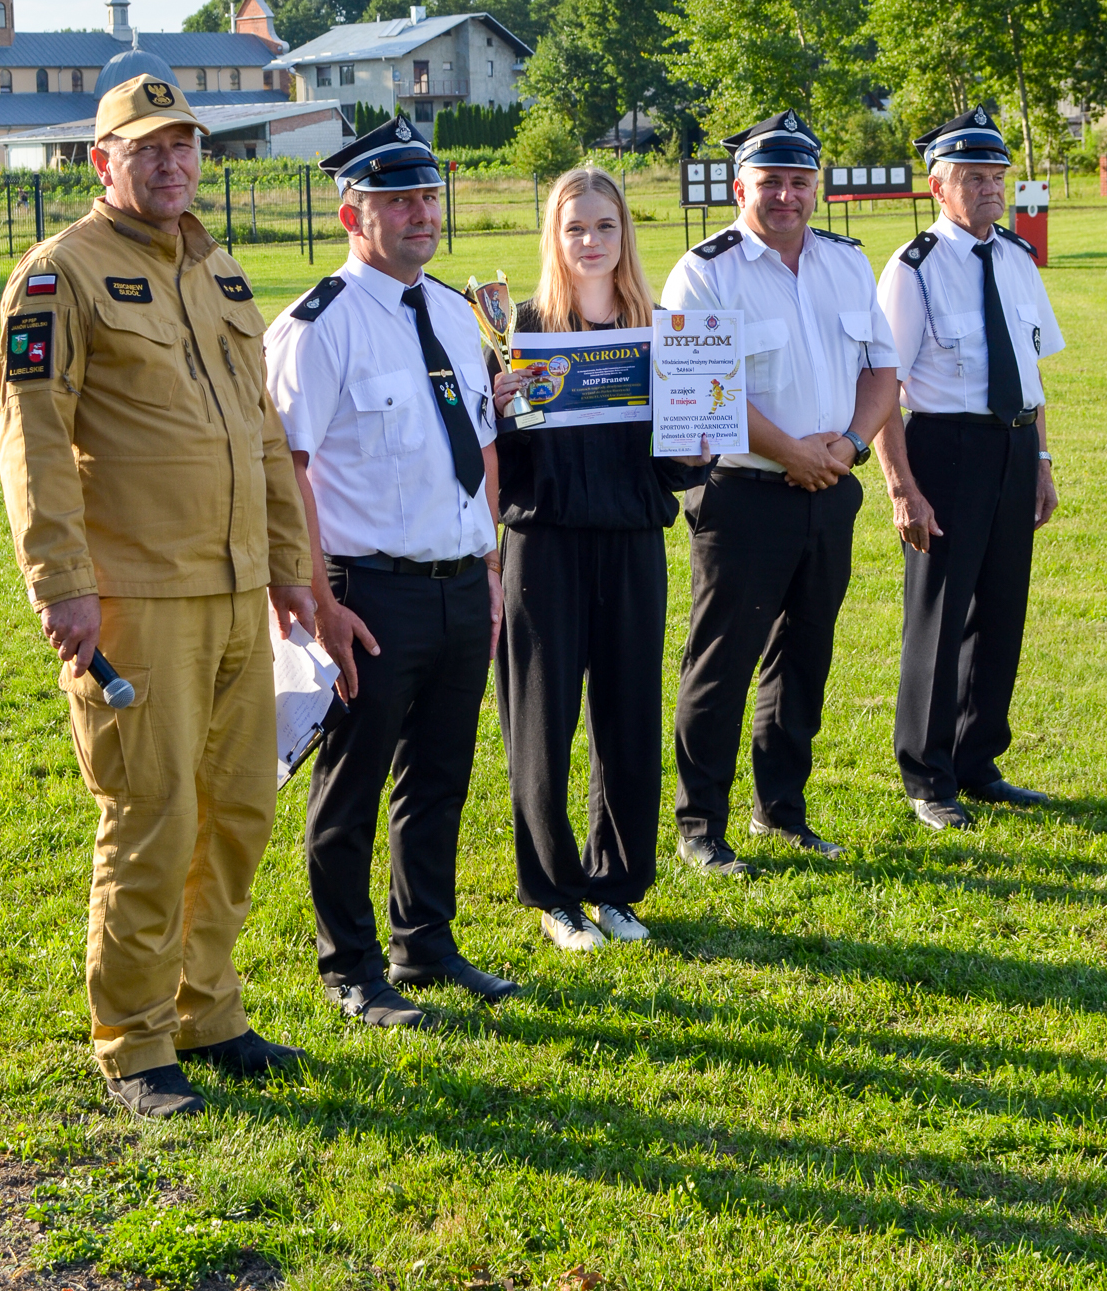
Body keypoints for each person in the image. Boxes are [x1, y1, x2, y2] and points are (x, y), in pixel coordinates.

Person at [0, 75, 315, 1121]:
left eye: (185, 146)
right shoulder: (61, 276)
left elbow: (262, 432)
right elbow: (35, 440)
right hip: (135, 599)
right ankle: (134, 1041)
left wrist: (289, 565)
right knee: (153, 817)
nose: (173, 163)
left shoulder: (217, 269)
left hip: (234, 590)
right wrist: (62, 584)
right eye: (147, 148)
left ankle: (206, 1010)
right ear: (103, 162)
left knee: (238, 813)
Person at [264, 114, 514, 1029]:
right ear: (351, 215)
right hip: (367, 591)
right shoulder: (317, 326)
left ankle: (426, 942)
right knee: (354, 782)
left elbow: (478, 443)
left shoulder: (451, 307)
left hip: (460, 582)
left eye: (428, 197)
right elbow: (286, 471)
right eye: (397, 200)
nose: (420, 214)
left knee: (440, 774)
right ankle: (351, 968)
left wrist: (490, 563)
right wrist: (317, 599)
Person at [661, 112, 899, 871]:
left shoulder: (847, 261)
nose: (787, 196)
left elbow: (882, 368)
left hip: (830, 489)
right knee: (722, 662)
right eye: (771, 182)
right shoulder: (705, 271)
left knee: (804, 657)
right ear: (740, 189)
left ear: (816, 187)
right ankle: (701, 825)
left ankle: (781, 812)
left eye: (800, 181)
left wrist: (850, 444)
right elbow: (701, 388)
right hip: (742, 495)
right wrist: (793, 452)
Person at [490, 167, 707, 954]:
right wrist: (502, 408)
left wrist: (699, 448)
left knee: (629, 720)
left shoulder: (660, 330)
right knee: (541, 725)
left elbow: (675, 464)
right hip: (544, 546)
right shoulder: (518, 328)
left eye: (604, 226)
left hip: (631, 544)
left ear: (625, 234)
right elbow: (499, 458)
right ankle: (555, 896)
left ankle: (615, 886)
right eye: (575, 226)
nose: (590, 240)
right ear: (555, 235)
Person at [874, 106, 1064, 831]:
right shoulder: (913, 267)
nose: (991, 189)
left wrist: (1041, 459)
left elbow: (1032, 373)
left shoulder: (1015, 257)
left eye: (997, 177)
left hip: (1012, 447)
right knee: (940, 612)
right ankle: (927, 775)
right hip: (945, 449)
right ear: (938, 186)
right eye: (974, 178)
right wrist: (902, 487)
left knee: (1001, 608)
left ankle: (978, 760)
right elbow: (883, 388)